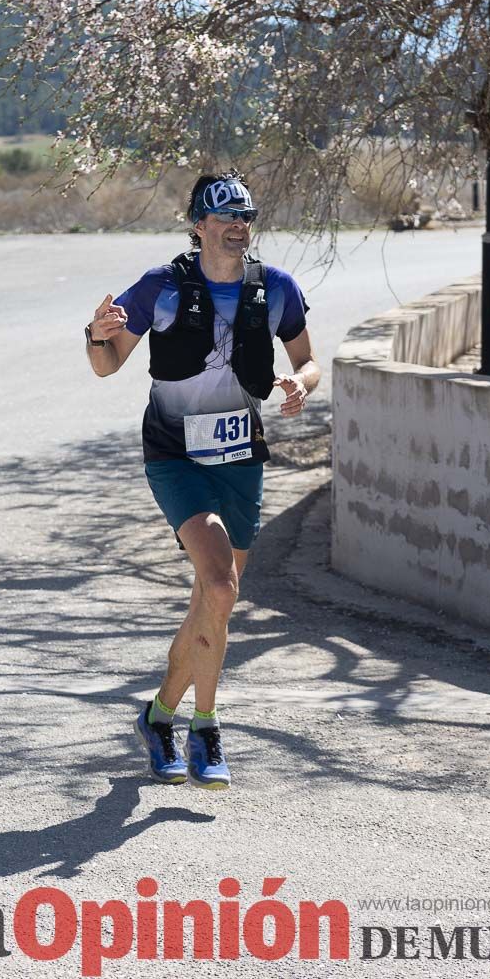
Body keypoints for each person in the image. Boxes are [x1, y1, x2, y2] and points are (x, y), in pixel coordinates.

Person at [85, 170, 319, 789]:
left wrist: (301, 383)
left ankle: (159, 716)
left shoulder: (276, 288)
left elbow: (308, 359)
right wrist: (93, 335)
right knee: (220, 580)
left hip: (241, 457)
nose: (238, 227)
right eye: (225, 218)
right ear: (198, 225)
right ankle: (205, 730)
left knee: (213, 600)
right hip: (175, 455)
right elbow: (107, 366)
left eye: (246, 217)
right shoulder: (162, 288)